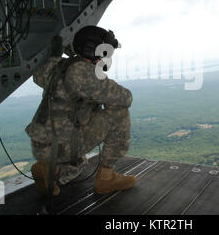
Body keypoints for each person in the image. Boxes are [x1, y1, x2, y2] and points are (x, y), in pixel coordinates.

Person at [25, 26, 136, 196]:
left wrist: (55, 56)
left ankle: (51, 170)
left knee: (78, 166)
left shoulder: (55, 65)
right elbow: (126, 97)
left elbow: (38, 77)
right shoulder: (86, 74)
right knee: (119, 112)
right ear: (93, 50)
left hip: (42, 144)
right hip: (65, 146)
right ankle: (106, 178)